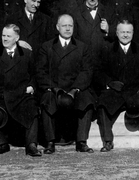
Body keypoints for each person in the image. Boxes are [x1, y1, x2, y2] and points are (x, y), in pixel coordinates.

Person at [35, 14, 96, 153]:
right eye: (64, 26)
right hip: (55, 88)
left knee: (87, 99)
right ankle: (50, 142)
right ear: (57, 27)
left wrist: (75, 90)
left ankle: (81, 142)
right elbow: (41, 71)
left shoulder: (82, 47)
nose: (67, 29)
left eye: (70, 26)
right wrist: (54, 89)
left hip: (75, 88)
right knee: (47, 99)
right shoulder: (47, 46)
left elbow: (87, 71)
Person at [0, 23, 42, 156]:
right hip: (0, 95)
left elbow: (35, 75)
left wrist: (32, 86)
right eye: (3, 35)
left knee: (32, 108)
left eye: (9, 36)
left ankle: (31, 145)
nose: (5, 39)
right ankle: (1, 143)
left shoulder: (27, 54)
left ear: (17, 38)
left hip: (21, 95)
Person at [93, 20, 139, 151]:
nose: (125, 35)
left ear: (133, 33)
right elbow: (98, 71)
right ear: (116, 33)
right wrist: (109, 82)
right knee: (102, 103)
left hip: (134, 92)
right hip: (116, 91)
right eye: (122, 32)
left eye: (128, 32)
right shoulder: (107, 49)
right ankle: (108, 141)